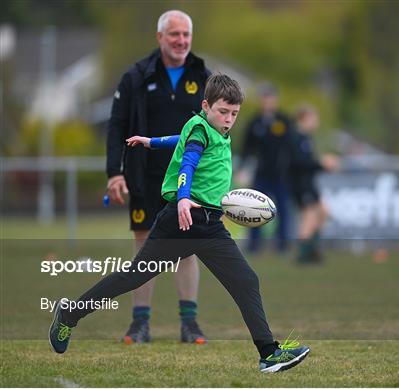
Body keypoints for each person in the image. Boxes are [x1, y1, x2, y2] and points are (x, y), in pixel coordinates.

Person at [49, 74, 310, 372]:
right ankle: (69, 314)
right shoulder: (201, 130)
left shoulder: (211, 130)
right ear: (206, 106)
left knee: (246, 280)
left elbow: (180, 140)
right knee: (133, 277)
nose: (228, 119)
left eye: (234, 114)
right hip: (181, 222)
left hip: (210, 226)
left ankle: (268, 353)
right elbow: (188, 160)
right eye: (223, 112)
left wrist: (151, 142)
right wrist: (184, 197)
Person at [105, 10, 210, 344]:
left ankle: (189, 324)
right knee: (144, 249)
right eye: (174, 34)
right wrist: (114, 173)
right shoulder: (136, 76)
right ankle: (140, 325)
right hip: (145, 177)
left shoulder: (202, 74)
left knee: (187, 249)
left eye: (186, 35)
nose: (181, 41)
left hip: (188, 179)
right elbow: (117, 127)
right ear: (160, 37)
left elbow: (214, 129)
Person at [238, 83, 295, 253]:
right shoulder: (254, 122)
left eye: (270, 97)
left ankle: (283, 245)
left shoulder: (284, 120)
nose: (267, 101)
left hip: (280, 175)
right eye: (264, 98)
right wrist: (243, 168)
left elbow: (291, 146)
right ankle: (254, 245)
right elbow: (247, 148)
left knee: (283, 210)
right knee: (255, 210)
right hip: (261, 174)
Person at [289, 104, 339, 264]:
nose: (316, 122)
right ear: (303, 119)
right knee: (309, 216)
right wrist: (322, 163)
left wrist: (322, 165)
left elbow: (308, 163)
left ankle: (313, 249)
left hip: (308, 183)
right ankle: (304, 254)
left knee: (322, 212)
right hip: (300, 183)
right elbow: (299, 163)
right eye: (313, 118)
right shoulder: (295, 137)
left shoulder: (306, 138)